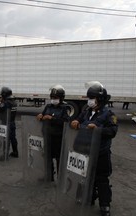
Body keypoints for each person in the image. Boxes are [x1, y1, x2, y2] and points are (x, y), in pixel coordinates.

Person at [70, 83, 118, 216]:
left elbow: (113, 131)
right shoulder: (86, 112)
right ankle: (87, 197)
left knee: (101, 179)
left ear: (100, 100)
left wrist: (98, 130)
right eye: (89, 97)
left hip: (100, 153)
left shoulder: (108, 114)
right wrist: (74, 123)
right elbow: (76, 122)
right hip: (85, 151)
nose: (89, 100)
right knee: (84, 176)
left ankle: (105, 205)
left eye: (92, 98)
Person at [36, 85, 70, 181]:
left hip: (58, 138)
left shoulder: (65, 108)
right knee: (47, 157)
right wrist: (40, 116)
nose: (53, 99)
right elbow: (43, 115)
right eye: (52, 97)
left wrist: (52, 118)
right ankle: (49, 175)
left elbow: (66, 121)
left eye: (55, 98)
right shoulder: (48, 106)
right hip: (48, 136)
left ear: (61, 98)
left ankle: (60, 179)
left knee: (59, 159)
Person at [0, 87, 18, 160]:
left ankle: (5, 155)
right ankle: (15, 152)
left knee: (5, 138)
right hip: (12, 122)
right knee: (13, 138)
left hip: (6, 123)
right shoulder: (13, 101)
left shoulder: (6, 102)